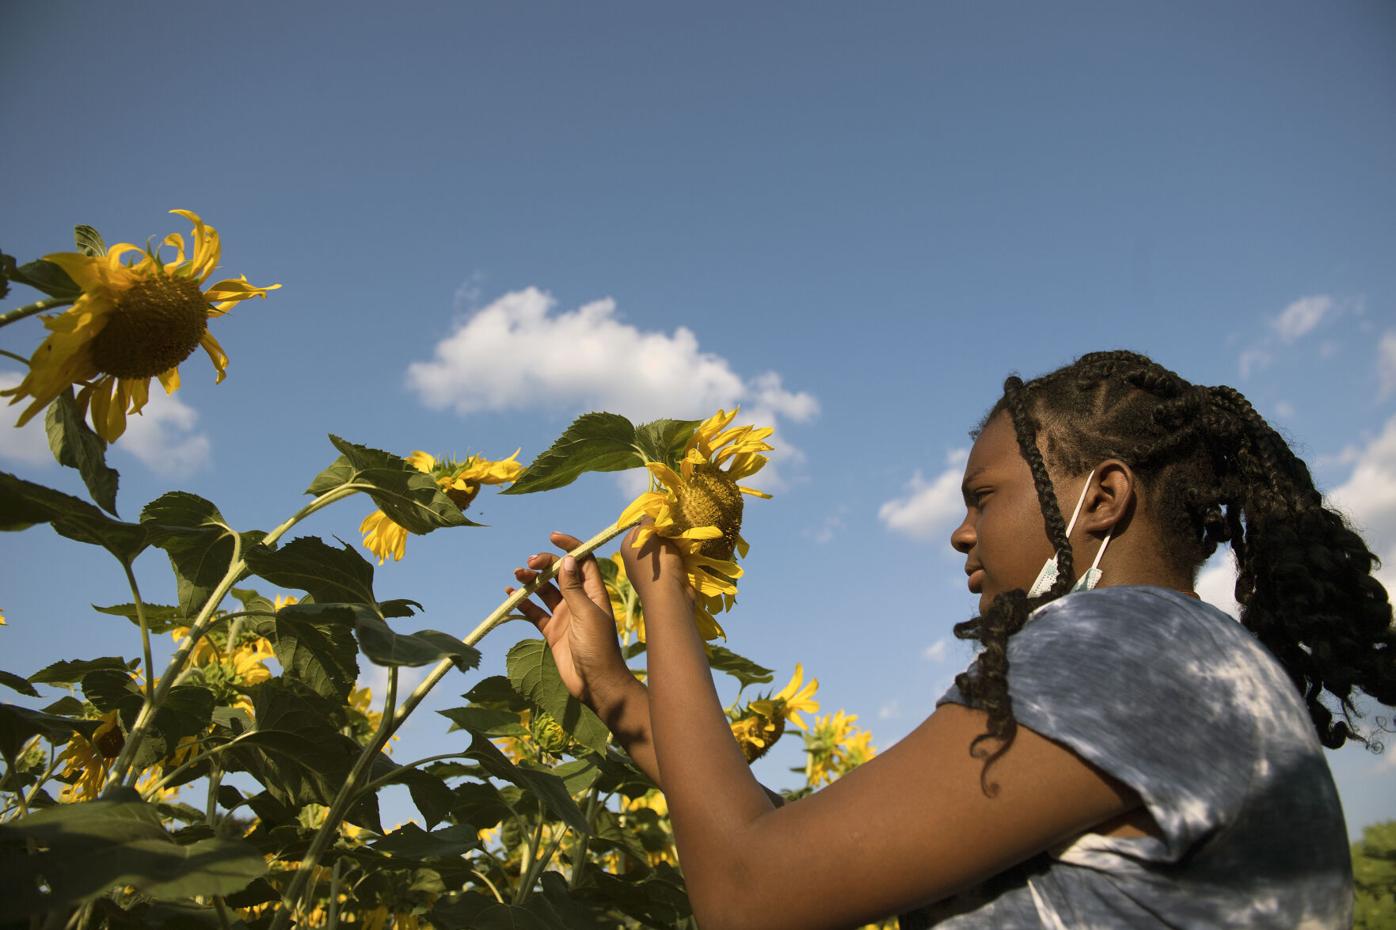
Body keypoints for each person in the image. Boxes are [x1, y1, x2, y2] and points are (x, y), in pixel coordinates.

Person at [508, 350, 1395, 929]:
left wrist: (669, 586)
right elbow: (793, 854)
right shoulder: (1189, 663)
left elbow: (749, 894)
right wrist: (616, 690)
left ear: (1104, 497)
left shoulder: (1126, 651)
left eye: (984, 498)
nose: (962, 535)